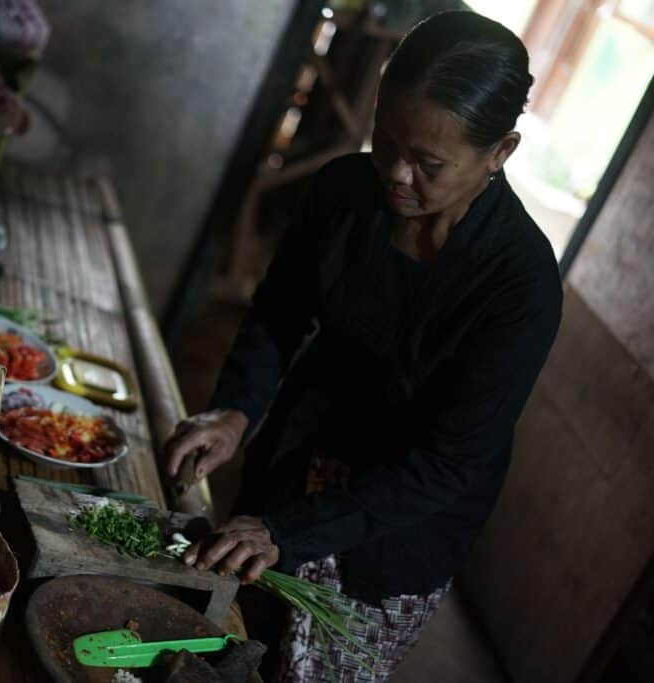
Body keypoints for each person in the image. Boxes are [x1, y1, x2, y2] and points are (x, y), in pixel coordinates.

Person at [164, 11, 562, 681]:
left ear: (501, 152)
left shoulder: (519, 285)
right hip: (298, 459)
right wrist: (235, 408)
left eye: (428, 162)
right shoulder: (346, 191)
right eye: (386, 140)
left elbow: (447, 463)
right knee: (220, 644)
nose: (398, 173)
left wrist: (292, 529)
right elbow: (278, 314)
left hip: (396, 526)